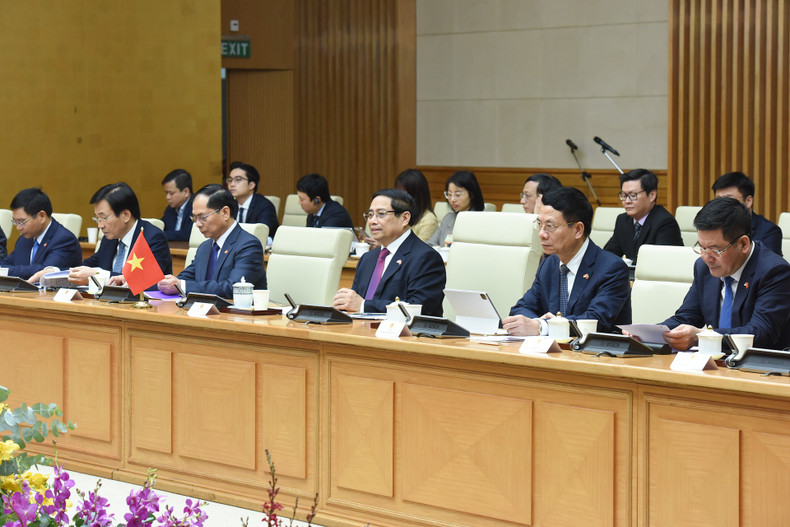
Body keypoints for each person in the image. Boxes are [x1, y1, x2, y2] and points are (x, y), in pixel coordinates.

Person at [662, 197, 790, 351]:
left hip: (763, 368)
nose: (707, 257)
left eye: (715, 250)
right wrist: (649, 333)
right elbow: (687, 316)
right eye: (702, 247)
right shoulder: (703, 267)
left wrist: (701, 336)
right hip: (716, 363)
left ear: (743, 244)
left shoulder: (774, 272)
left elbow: (760, 333)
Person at [504, 187, 631, 335]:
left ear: (578, 230)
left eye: (550, 226)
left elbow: (595, 321)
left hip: (598, 355)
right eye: (540, 224)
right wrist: (533, 324)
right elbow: (521, 308)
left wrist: (542, 327)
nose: (541, 234)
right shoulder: (549, 263)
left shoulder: (612, 268)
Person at [333, 189, 446, 315]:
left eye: (381, 214)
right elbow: (354, 304)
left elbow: (419, 308)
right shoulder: (367, 259)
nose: (372, 221)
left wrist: (364, 306)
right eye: (370, 215)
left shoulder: (425, 257)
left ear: (405, 218)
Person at [158, 184, 266, 297]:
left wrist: (181, 285)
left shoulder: (248, 245)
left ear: (225, 213)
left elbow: (233, 288)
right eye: (194, 218)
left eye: (202, 217)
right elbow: (185, 278)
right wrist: (169, 283)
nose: (197, 224)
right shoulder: (205, 247)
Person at [69, 182, 172, 285]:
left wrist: (98, 275)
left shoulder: (153, 238)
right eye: (97, 218)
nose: (100, 226)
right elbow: (89, 265)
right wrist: (61, 271)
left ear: (126, 215)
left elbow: (143, 281)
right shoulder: (110, 238)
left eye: (104, 218)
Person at [0, 188, 82, 282]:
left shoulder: (64, 240)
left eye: (22, 221)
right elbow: (7, 263)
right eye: (15, 222)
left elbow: (44, 272)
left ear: (42, 216)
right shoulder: (24, 239)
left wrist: (5, 271)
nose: (18, 227)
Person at [604, 168, 683, 264]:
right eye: (624, 195)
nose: (627, 201)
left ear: (652, 195)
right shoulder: (623, 220)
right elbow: (608, 255)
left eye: (633, 195)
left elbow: (661, 262)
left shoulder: (665, 223)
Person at [712, 171, 782, 256]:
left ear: (748, 201)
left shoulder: (769, 231)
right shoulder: (712, 227)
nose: (722, 204)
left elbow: (771, 267)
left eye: (729, 199)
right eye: (718, 199)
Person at [427, 170, 485, 246]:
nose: (452, 200)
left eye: (457, 195)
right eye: (449, 194)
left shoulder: (482, 221)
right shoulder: (448, 218)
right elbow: (430, 244)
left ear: (472, 194)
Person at [226, 161, 279, 238]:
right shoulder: (229, 205)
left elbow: (260, 234)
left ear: (251, 185)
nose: (232, 184)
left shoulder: (265, 206)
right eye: (230, 180)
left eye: (238, 179)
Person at [394, 168, 438, 242]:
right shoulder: (399, 214)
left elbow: (419, 251)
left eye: (403, 193)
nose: (399, 197)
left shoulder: (429, 220)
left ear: (416, 195)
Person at [161, 169, 194, 241]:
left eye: (171, 193)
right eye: (166, 193)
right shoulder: (170, 209)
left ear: (186, 192)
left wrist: (161, 235)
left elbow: (188, 234)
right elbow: (161, 227)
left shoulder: (196, 207)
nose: (167, 197)